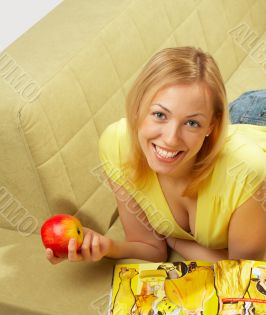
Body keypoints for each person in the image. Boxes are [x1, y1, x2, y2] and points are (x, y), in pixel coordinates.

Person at [45, 46, 266, 265]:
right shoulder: (118, 146)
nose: (170, 139)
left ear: (211, 126)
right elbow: (150, 248)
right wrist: (105, 246)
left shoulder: (246, 172)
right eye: (160, 114)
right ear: (137, 108)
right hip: (238, 123)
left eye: (191, 122)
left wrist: (177, 243)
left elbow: (243, 274)